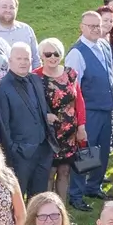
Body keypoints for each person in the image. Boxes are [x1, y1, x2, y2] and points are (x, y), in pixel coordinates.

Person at [65, 10, 113, 210]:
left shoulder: (103, 45)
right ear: (82, 27)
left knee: (102, 151)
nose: (96, 29)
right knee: (85, 153)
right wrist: (80, 121)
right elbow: (72, 90)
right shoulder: (77, 53)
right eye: (91, 26)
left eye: (98, 26)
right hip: (89, 111)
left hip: (106, 108)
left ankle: (93, 186)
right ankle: (76, 195)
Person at [0, 43, 53, 196]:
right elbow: (3, 125)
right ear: (10, 60)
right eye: (19, 58)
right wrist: (13, 150)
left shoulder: (35, 79)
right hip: (20, 155)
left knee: (39, 198)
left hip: (43, 149)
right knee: (17, 198)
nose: (23, 62)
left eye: (26, 59)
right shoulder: (2, 87)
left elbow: (41, 108)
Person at [35, 40, 85, 200]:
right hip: (48, 134)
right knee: (49, 173)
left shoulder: (70, 74)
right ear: (42, 55)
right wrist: (44, 116)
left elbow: (79, 101)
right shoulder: (35, 77)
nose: (52, 57)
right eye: (48, 54)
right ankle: (46, 207)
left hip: (70, 132)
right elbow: (31, 105)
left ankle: (62, 210)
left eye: (56, 53)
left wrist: (81, 126)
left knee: (65, 171)